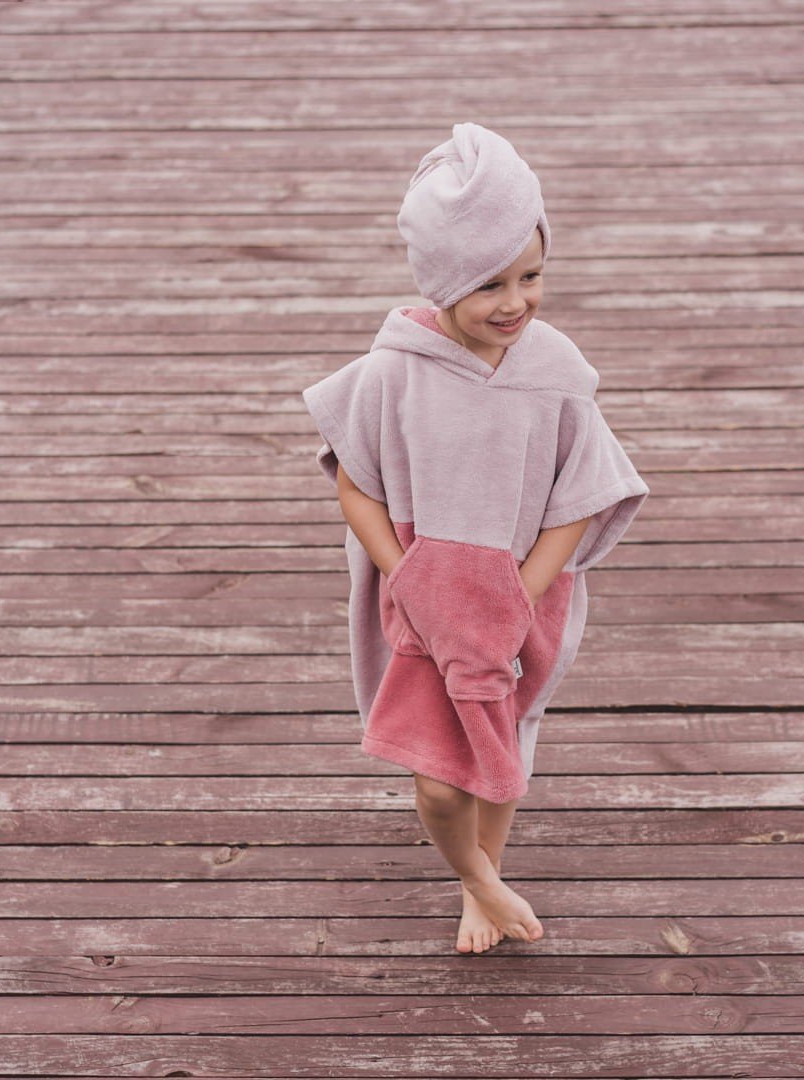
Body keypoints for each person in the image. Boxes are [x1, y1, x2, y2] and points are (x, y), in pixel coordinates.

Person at [302, 122, 649, 954]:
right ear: (443, 280)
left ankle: (479, 885)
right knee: (436, 783)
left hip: (520, 590)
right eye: (490, 283)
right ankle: (480, 879)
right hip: (425, 600)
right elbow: (356, 483)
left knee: (500, 747)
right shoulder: (394, 371)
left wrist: (522, 588)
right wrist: (410, 576)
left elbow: (583, 491)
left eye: (532, 276)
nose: (516, 302)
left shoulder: (554, 369)